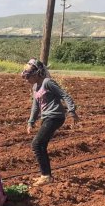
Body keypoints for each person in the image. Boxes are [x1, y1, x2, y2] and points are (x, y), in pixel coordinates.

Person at [22, 58, 80, 186]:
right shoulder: (35, 87)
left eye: (28, 76)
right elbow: (35, 106)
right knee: (41, 145)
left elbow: (65, 95)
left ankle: (46, 176)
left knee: (36, 144)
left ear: (38, 73)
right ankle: (46, 175)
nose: (27, 79)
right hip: (47, 117)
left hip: (56, 116)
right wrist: (31, 122)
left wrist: (71, 110)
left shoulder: (48, 82)